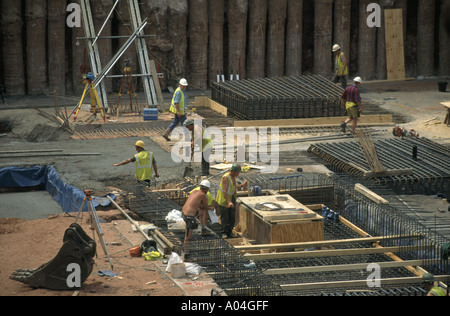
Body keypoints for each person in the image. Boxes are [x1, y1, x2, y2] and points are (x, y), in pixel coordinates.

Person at [215, 164, 248, 238]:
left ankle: (229, 232)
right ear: (233, 171)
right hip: (224, 200)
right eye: (237, 172)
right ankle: (224, 232)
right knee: (225, 217)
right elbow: (225, 191)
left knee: (232, 217)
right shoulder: (226, 178)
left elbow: (234, 187)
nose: (238, 174)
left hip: (231, 198)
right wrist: (229, 201)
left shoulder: (233, 177)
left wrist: (242, 185)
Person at [182, 181, 212, 258]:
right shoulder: (202, 195)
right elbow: (206, 207)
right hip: (189, 217)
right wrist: (211, 208)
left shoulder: (194, 191)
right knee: (188, 236)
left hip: (184, 213)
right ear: (206, 189)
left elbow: (200, 206)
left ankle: (203, 229)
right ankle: (186, 254)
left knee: (202, 211)